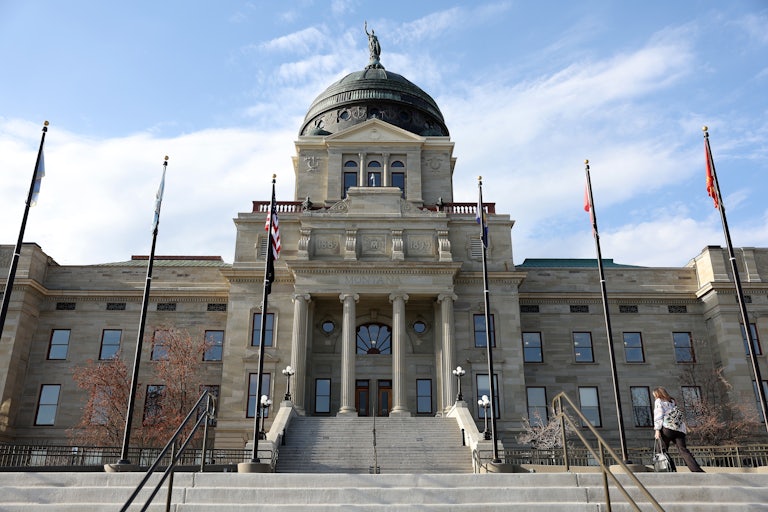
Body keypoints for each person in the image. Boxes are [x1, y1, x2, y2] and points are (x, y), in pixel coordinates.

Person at [653, 386, 705, 472]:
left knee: (661, 450)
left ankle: (670, 469)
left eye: (655, 395)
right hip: (679, 429)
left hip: (667, 428)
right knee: (683, 450)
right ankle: (697, 470)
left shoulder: (659, 401)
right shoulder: (672, 401)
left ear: (658, 394)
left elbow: (658, 415)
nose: (654, 397)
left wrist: (657, 430)